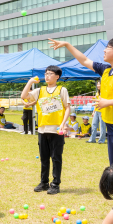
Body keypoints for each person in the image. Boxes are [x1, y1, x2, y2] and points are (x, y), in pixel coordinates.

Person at [48, 37, 113, 224]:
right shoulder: (106, 70)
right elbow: (84, 60)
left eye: (107, 48)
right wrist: (68, 45)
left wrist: (108, 102)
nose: (104, 51)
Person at [21, 65, 70, 195]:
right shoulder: (40, 90)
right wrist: (30, 82)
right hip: (42, 129)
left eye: (50, 73)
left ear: (57, 76)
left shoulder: (61, 90)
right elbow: (24, 96)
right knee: (44, 158)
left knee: (56, 158)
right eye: (46, 73)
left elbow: (68, 108)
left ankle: (55, 184)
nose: (47, 76)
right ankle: (44, 182)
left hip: (56, 129)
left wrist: (63, 124)